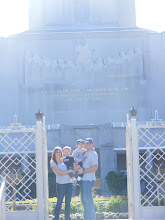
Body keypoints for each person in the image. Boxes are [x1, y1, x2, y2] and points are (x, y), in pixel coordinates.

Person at [50, 146, 74, 220]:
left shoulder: (63, 160)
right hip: (61, 184)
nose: (58, 153)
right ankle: (56, 217)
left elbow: (72, 166)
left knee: (68, 202)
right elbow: (60, 173)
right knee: (59, 201)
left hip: (69, 183)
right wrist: (70, 171)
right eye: (56, 152)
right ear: (54, 153)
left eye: (59, 152)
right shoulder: (53, 162)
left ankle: (67, 217)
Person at [78, 137, 98, 220]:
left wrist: (84, 171)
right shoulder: (84, 153)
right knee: (83, 200)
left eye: (89, 143)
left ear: (92, 144)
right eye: (86, 143)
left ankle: (91, 218)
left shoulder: (93, 154)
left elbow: (95, 167)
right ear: (85, 144)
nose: (88, 145)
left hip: (88, 179)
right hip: (83, 179)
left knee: (88, 199)